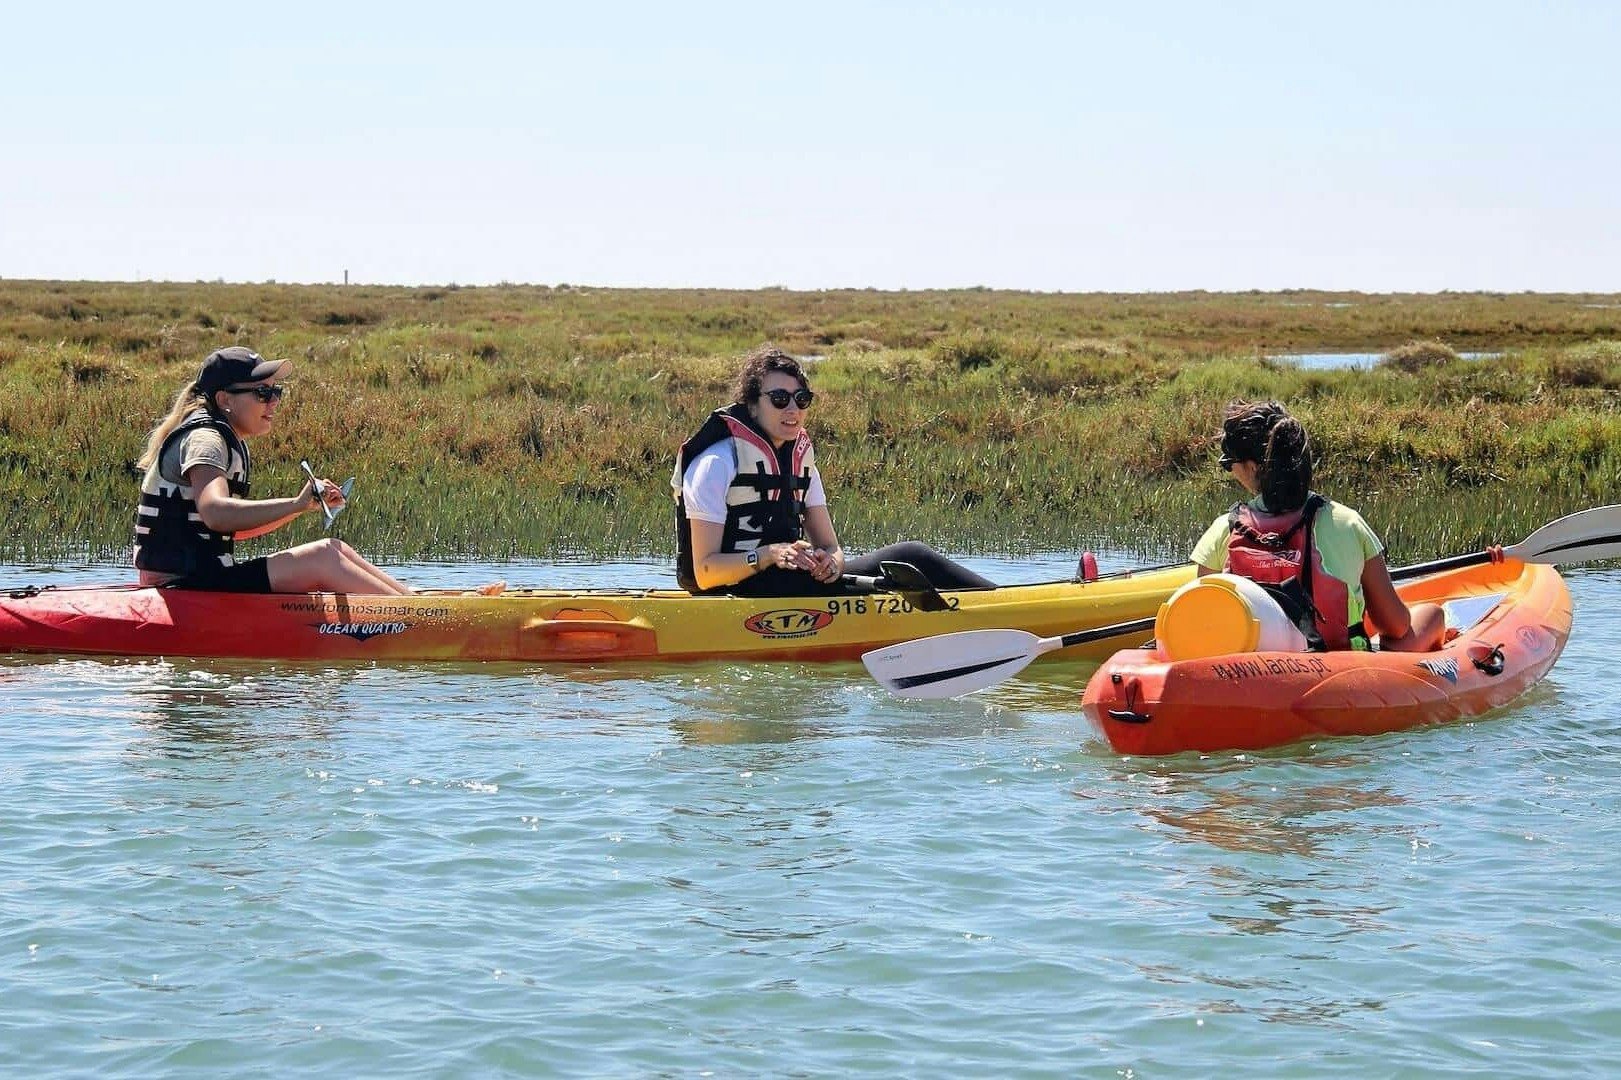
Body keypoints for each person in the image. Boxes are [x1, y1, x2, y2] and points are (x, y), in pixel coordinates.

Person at [672, 345, 996, 596]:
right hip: (734, 594)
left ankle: (1006, 605)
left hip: (792, 587)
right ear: (752, 404)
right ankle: (1009, 610)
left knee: (911, 558)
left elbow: (830, 546)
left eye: (801, 399)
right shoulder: (715, 464)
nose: (792, 410)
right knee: (912, 556)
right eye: (779, 398)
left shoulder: (800, 458)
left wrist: (832, 565)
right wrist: (769, 555)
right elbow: (704, 571)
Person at [132, 346, 416, 595]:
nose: (274, 401)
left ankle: (419, 608)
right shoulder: (206, 441)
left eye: (275, 391)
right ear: (224, 400)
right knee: (323, 557)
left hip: (201, 578)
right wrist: (294, 503)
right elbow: (216, 513)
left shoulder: (224, 438)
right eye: (262, 393)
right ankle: (423, 622)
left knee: (335, 549)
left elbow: (229, 530)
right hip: (181, 586)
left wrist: (300, 508)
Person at [1190, 399, 1444, 652]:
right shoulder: (1347, 522)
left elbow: (1206, 626)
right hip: (1336, 670)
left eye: (1228, 465)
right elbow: (1395, 626)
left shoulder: (1223, 530)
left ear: (1253, 467)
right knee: (1433, 615)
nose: (1230, 472)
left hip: (1249, 676)